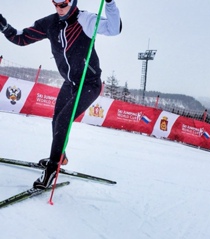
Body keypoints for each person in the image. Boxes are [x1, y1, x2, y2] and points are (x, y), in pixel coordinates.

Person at [0, 0, 122, 189]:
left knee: (65, 118)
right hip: (70, 82)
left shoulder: (86, 19)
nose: (58, 9)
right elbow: (21, 38)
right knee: (57, 120)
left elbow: (114, 29)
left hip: (88, 83)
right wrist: (3, 25)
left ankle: (52, 167)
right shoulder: (50, 23)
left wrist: (109, 3)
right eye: (55, 4)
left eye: (62, 5)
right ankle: (60, 156)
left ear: (72, 2)